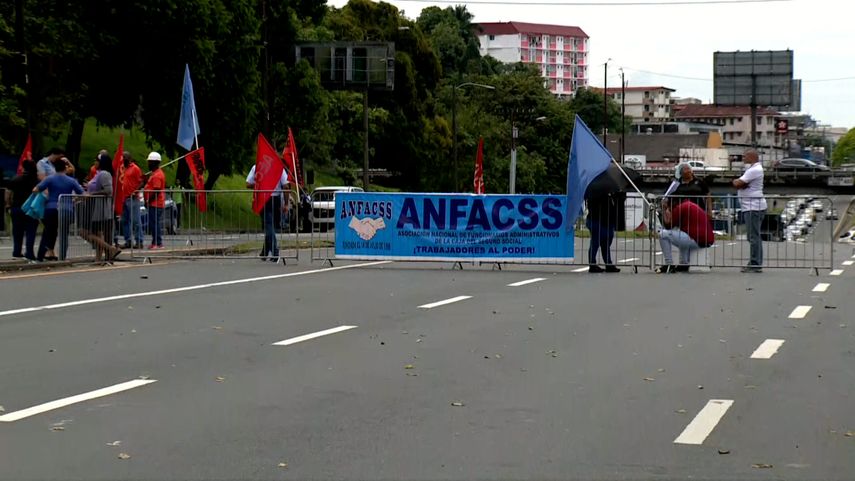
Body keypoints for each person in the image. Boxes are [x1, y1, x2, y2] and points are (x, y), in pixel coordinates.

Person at [34, 158, 83, 261]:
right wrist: (74, 199)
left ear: (55, 168)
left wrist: (45, 196)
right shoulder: (71, 180)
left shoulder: (50, 179)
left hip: (51, 208)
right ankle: (62, 257)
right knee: (64, 233)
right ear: (65, 168)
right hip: (67, 209)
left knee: (48, 232)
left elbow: (36, 189)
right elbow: (82, 194)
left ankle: (41, 255)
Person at [79, 154, 121, 262]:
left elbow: (108, 191)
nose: (94, 163)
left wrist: (92, 194)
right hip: (95, 208)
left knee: (85, 232)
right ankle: (98, 258)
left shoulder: (104, 174)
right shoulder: (98, 173)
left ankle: (110, 249)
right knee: (97, 234)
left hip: (100, 209)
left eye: (97, 161)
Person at [657, 199, 714, 273]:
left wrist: (664, 210)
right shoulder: (689, 205)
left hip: (697, 239)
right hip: (705, 239)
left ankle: (669, 264)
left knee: (663, 234)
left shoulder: (680, 207)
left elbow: (668, 225)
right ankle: (684, 263)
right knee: (682, 236)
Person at [732, 149, 766, 273]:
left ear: (752, 157)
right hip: (751, 206)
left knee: (753, 237)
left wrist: (738, 182)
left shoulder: (754, 170)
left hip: (753, 207)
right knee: (754, 236)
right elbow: (741, 183)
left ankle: (755, 264)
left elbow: (738, 183)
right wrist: (741, 183)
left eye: (745, 155)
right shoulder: (753, 169)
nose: (743, 157)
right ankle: (755, 262)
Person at [246, 164, 289, 261]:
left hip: (265, 197)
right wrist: (286, 203)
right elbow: (286, 186)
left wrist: (260, 184)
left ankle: (274, 252)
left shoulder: (257, 166)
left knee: (269, 226)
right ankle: (266, 252)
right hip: (273, 198)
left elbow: (248, 183)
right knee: (270, 225)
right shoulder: (278, 167)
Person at [5, 160, 40, 260]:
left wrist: (8, 204)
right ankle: (29, 252)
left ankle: (17, 251)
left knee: (17, 231)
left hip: (17, 207)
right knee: (31, 231)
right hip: (31, 208)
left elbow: (8, 193)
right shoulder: (36, 180)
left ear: (23, 167)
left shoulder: (16, 179)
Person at [585, 192, 620, 273]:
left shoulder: (597, 192)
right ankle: (594, 264)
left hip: (602, 220)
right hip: (597, 220)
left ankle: (607, 264)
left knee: (604, 243)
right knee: (596, 242)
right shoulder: (596, 194)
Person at [118, 151, 144, 249]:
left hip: (133, 198)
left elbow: (141, 181)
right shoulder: (123, 168)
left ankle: (139, 241)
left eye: (123, 157)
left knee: (136, 221)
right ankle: (128, 240)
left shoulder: (135, 168)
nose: (122, 159)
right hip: (124, 198)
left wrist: (136, 191)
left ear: (128, 158)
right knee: (124, 220)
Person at [143, 152, 166, 249]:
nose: (148, 164)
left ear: (154, 162)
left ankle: (157, 242)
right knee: (154, 223)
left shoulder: (157, 175)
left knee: (154, 223)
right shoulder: (155, 174)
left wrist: (148, 201)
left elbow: (156, 190)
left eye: (149, 162)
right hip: (155, 203)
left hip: (155, 203)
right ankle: (156, 242)